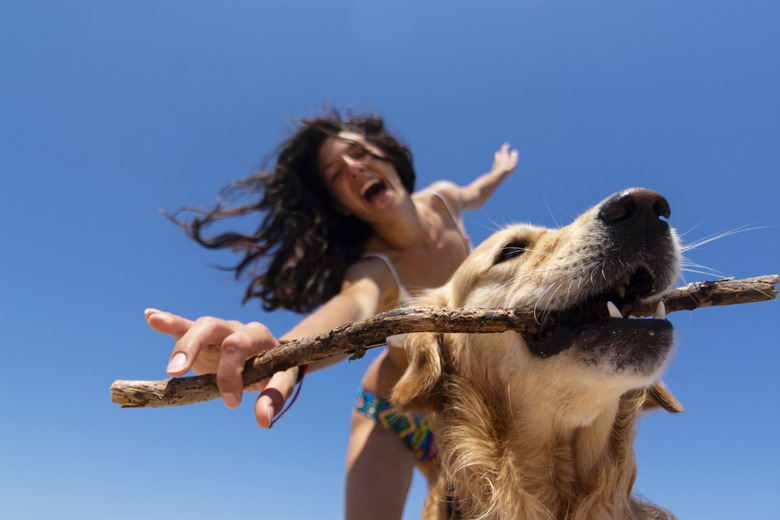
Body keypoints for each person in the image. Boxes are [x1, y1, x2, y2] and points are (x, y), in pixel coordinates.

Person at [144, 110, 518, 519]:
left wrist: (500, 170)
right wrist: (283, 353)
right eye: (337, 174)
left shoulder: (443, 199)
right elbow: (352, 306)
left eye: (359, 153)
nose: (355, 169)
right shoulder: (375, 268)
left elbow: (477, 191)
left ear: (389, 159)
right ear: (341, 204)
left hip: (458, 413)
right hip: (390, 416)